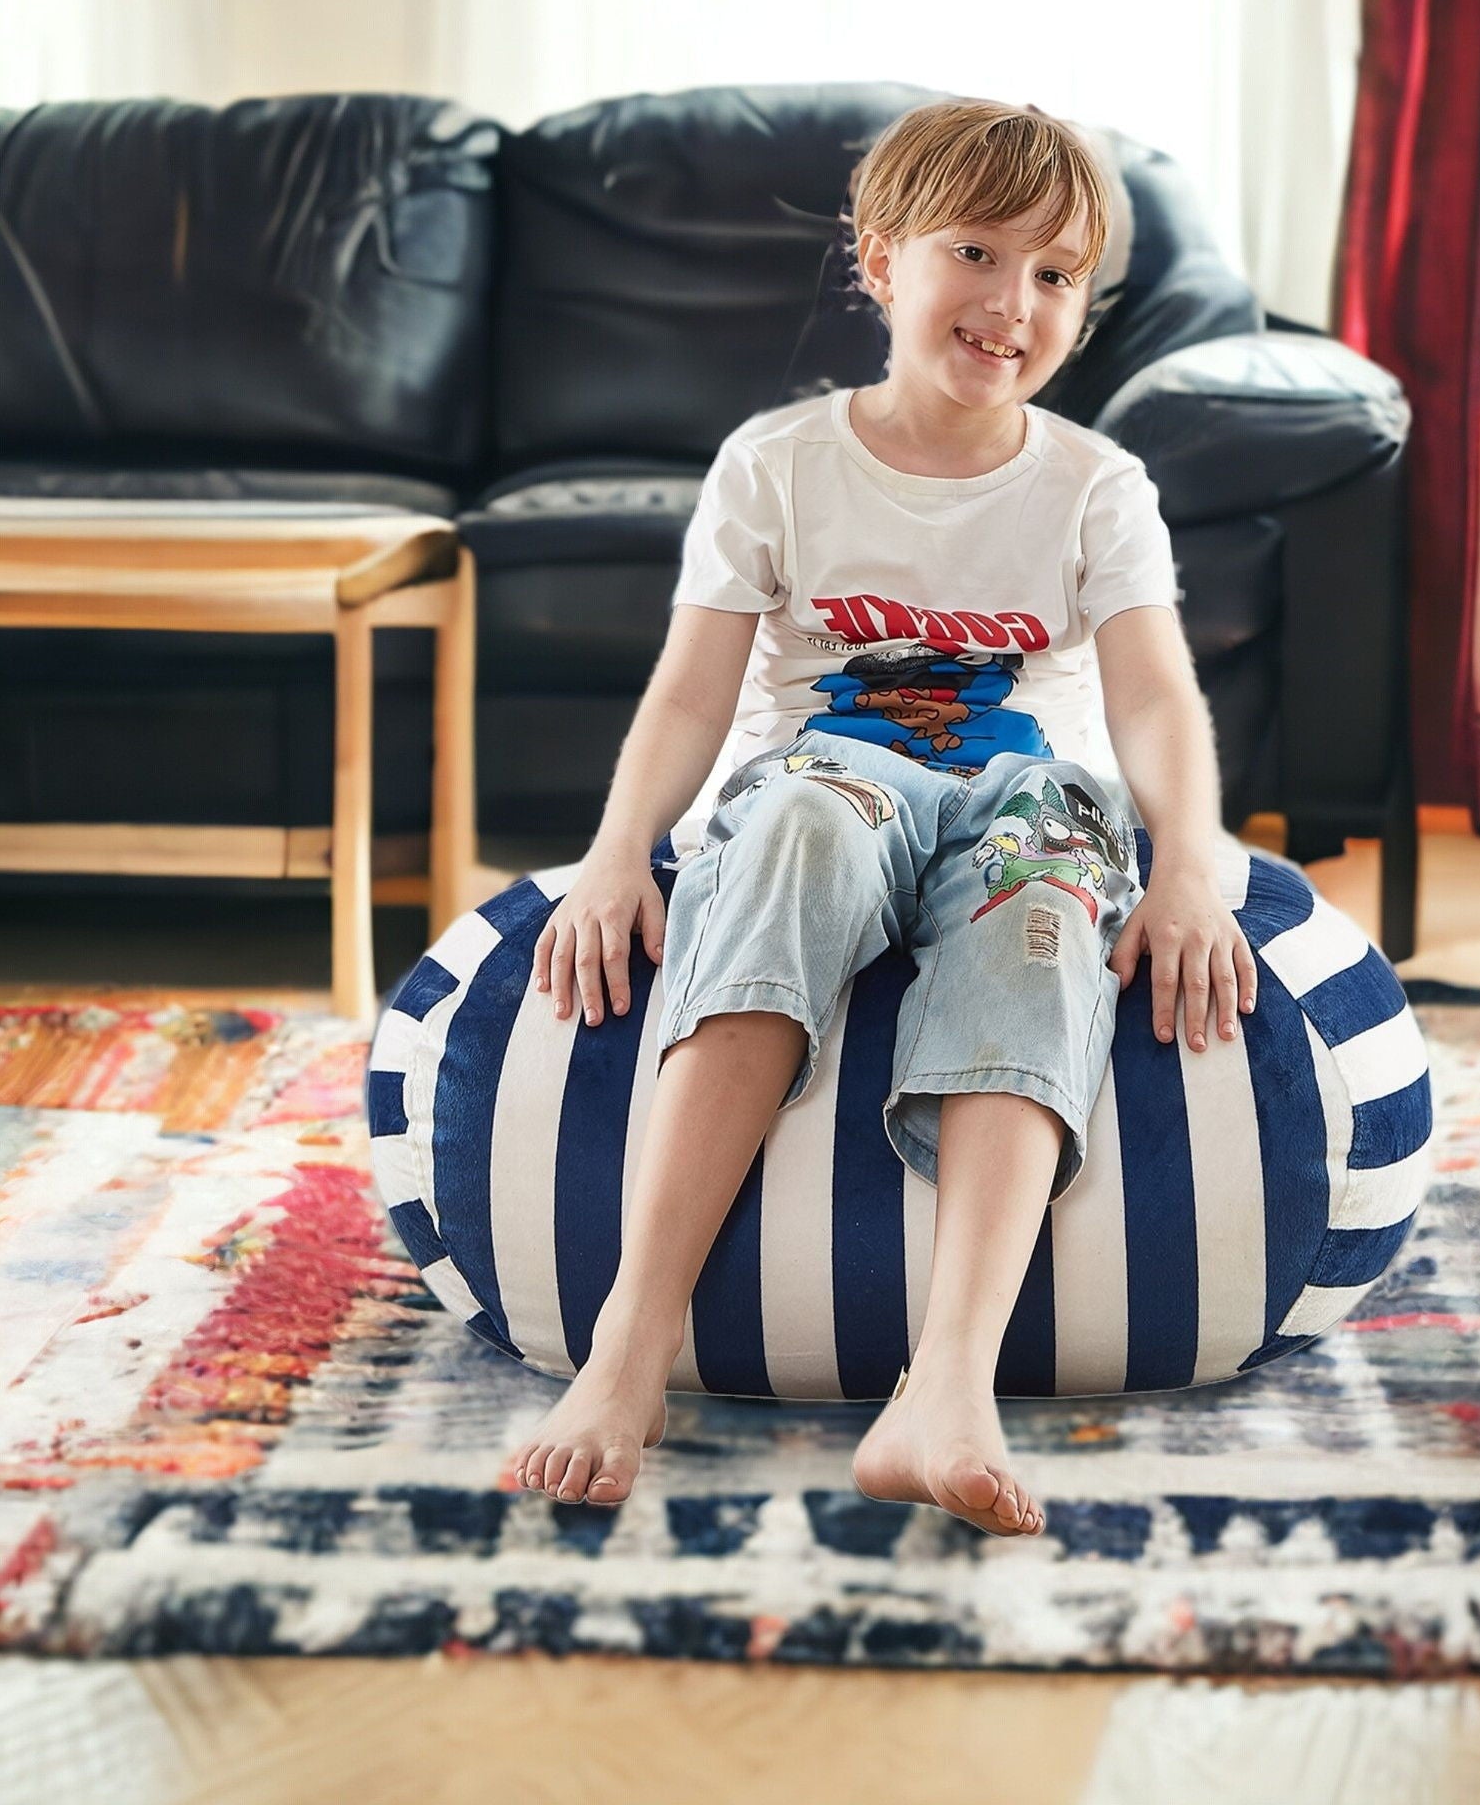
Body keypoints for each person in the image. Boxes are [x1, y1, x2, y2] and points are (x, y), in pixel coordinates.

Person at [502, 97, 1256, 1537]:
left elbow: (1155, 698)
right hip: (829, 775)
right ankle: (631, 1340)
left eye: (1054, 276)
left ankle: (947, 1386)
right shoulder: (778, 464)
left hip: (1032, 786)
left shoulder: (1099, 487)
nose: (1010, 304)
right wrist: (617, 855)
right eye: (977, 252)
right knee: (795, 835)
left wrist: (1192, 866)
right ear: (883, 257)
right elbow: (688, 697)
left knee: (1042, 909)